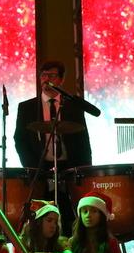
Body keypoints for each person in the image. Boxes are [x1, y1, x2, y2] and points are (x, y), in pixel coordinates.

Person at [14, 60, 92, 232]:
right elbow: (20, 140)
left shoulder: (73, 106)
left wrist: (84, 171)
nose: (46, 79)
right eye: (43, 75)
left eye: (52, 75)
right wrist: (33, 168)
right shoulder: (26, 107)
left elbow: (83, 141)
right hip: (40, 168)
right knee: (41, 216)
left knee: (70, 215)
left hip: (69, 168)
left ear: (61, 80)